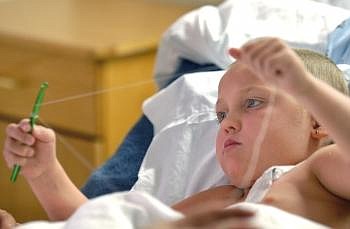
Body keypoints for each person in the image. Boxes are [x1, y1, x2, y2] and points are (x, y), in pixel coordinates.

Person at [2, 37, 350, 227]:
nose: (228, 122)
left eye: (253, 103)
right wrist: (44, 172)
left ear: (319, 122)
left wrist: (305, 88)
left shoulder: (319, 173)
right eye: (220, 115)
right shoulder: (223, 198)